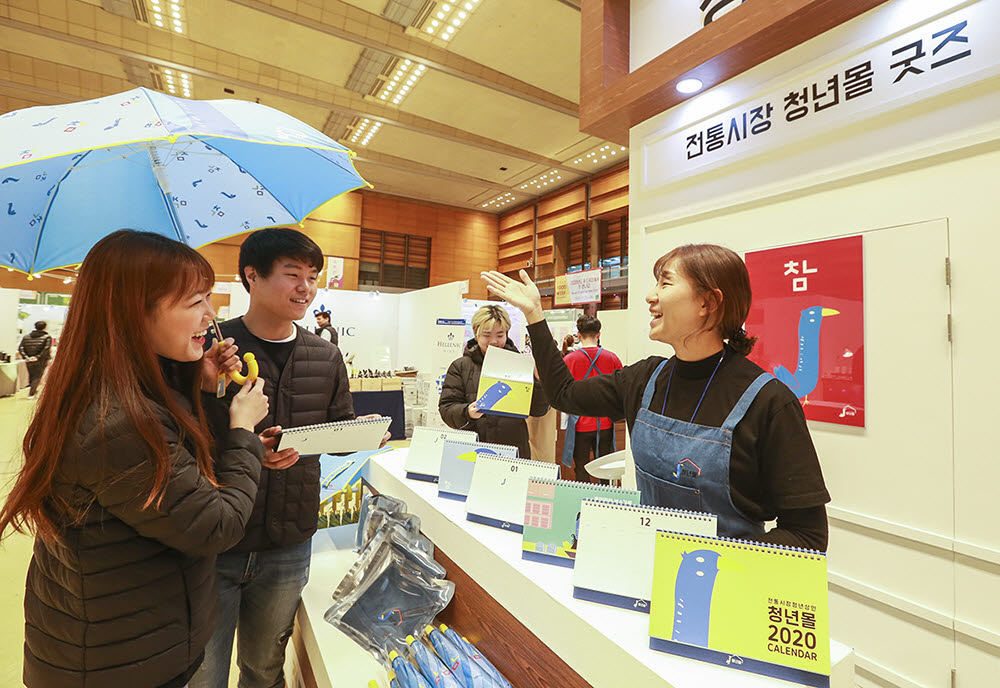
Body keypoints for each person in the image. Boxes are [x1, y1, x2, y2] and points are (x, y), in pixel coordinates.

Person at [0, 230, 270, 688]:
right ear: (133, 313)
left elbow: (177, 464)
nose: (211, 315)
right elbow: (215, 525)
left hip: (138, 640)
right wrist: (243, 433)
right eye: (194, 302)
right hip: (117, 662)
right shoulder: (117, 422)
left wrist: (200, 385)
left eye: (208, 297)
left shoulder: (129, 389)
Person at [482, 244, 831, 550]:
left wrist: (717, 561)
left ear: (708, 302)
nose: (650, 296)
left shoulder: (769, 402)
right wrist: (534, 315)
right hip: (643, 571)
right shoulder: (645, 378)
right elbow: (564, 393)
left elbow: (807, 535)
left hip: (721, 589)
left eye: (665, 283)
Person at [193, 227, 387, 688]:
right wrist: (245, 450)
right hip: (215, 539)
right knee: (202, 674)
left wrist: (361, 435)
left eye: (313, 276)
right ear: (252, 277)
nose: (306, 287)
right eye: (293, 274)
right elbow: (183, 440)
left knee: (264, 669)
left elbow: (335, 431)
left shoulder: (326, 355)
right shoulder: (213, 354)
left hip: (289, 539)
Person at [439, 304, 549, 458]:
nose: (493, 341)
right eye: (486, 335)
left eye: (499, 335)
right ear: (476, 335)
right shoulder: (461, 366)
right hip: (474, 449)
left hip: (514, 449)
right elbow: (446, 408)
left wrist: (539, 382)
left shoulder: (520, 364)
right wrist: (467, 412)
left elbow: (538, 410)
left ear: (507, 334)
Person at [562, 315, 624, 482]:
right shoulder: (612, 358)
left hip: (580, 424)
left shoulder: (569, 360)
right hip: (605, 422)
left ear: (579, 335)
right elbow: (622, 388)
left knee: (581, 468)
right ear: (598, 334)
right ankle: (603, 504)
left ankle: (583, 503)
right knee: (605, 468)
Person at [18, 320, 51, 397]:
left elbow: (21, 348)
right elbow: (46, 349)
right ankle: (31, 393)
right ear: (45, 327)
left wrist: (26, 357)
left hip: (29, 360)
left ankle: (33, 390)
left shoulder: (26, 337)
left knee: (31, 375)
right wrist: (37, 357)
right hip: (41, 360)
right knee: (37, 376)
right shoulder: (47, 337)